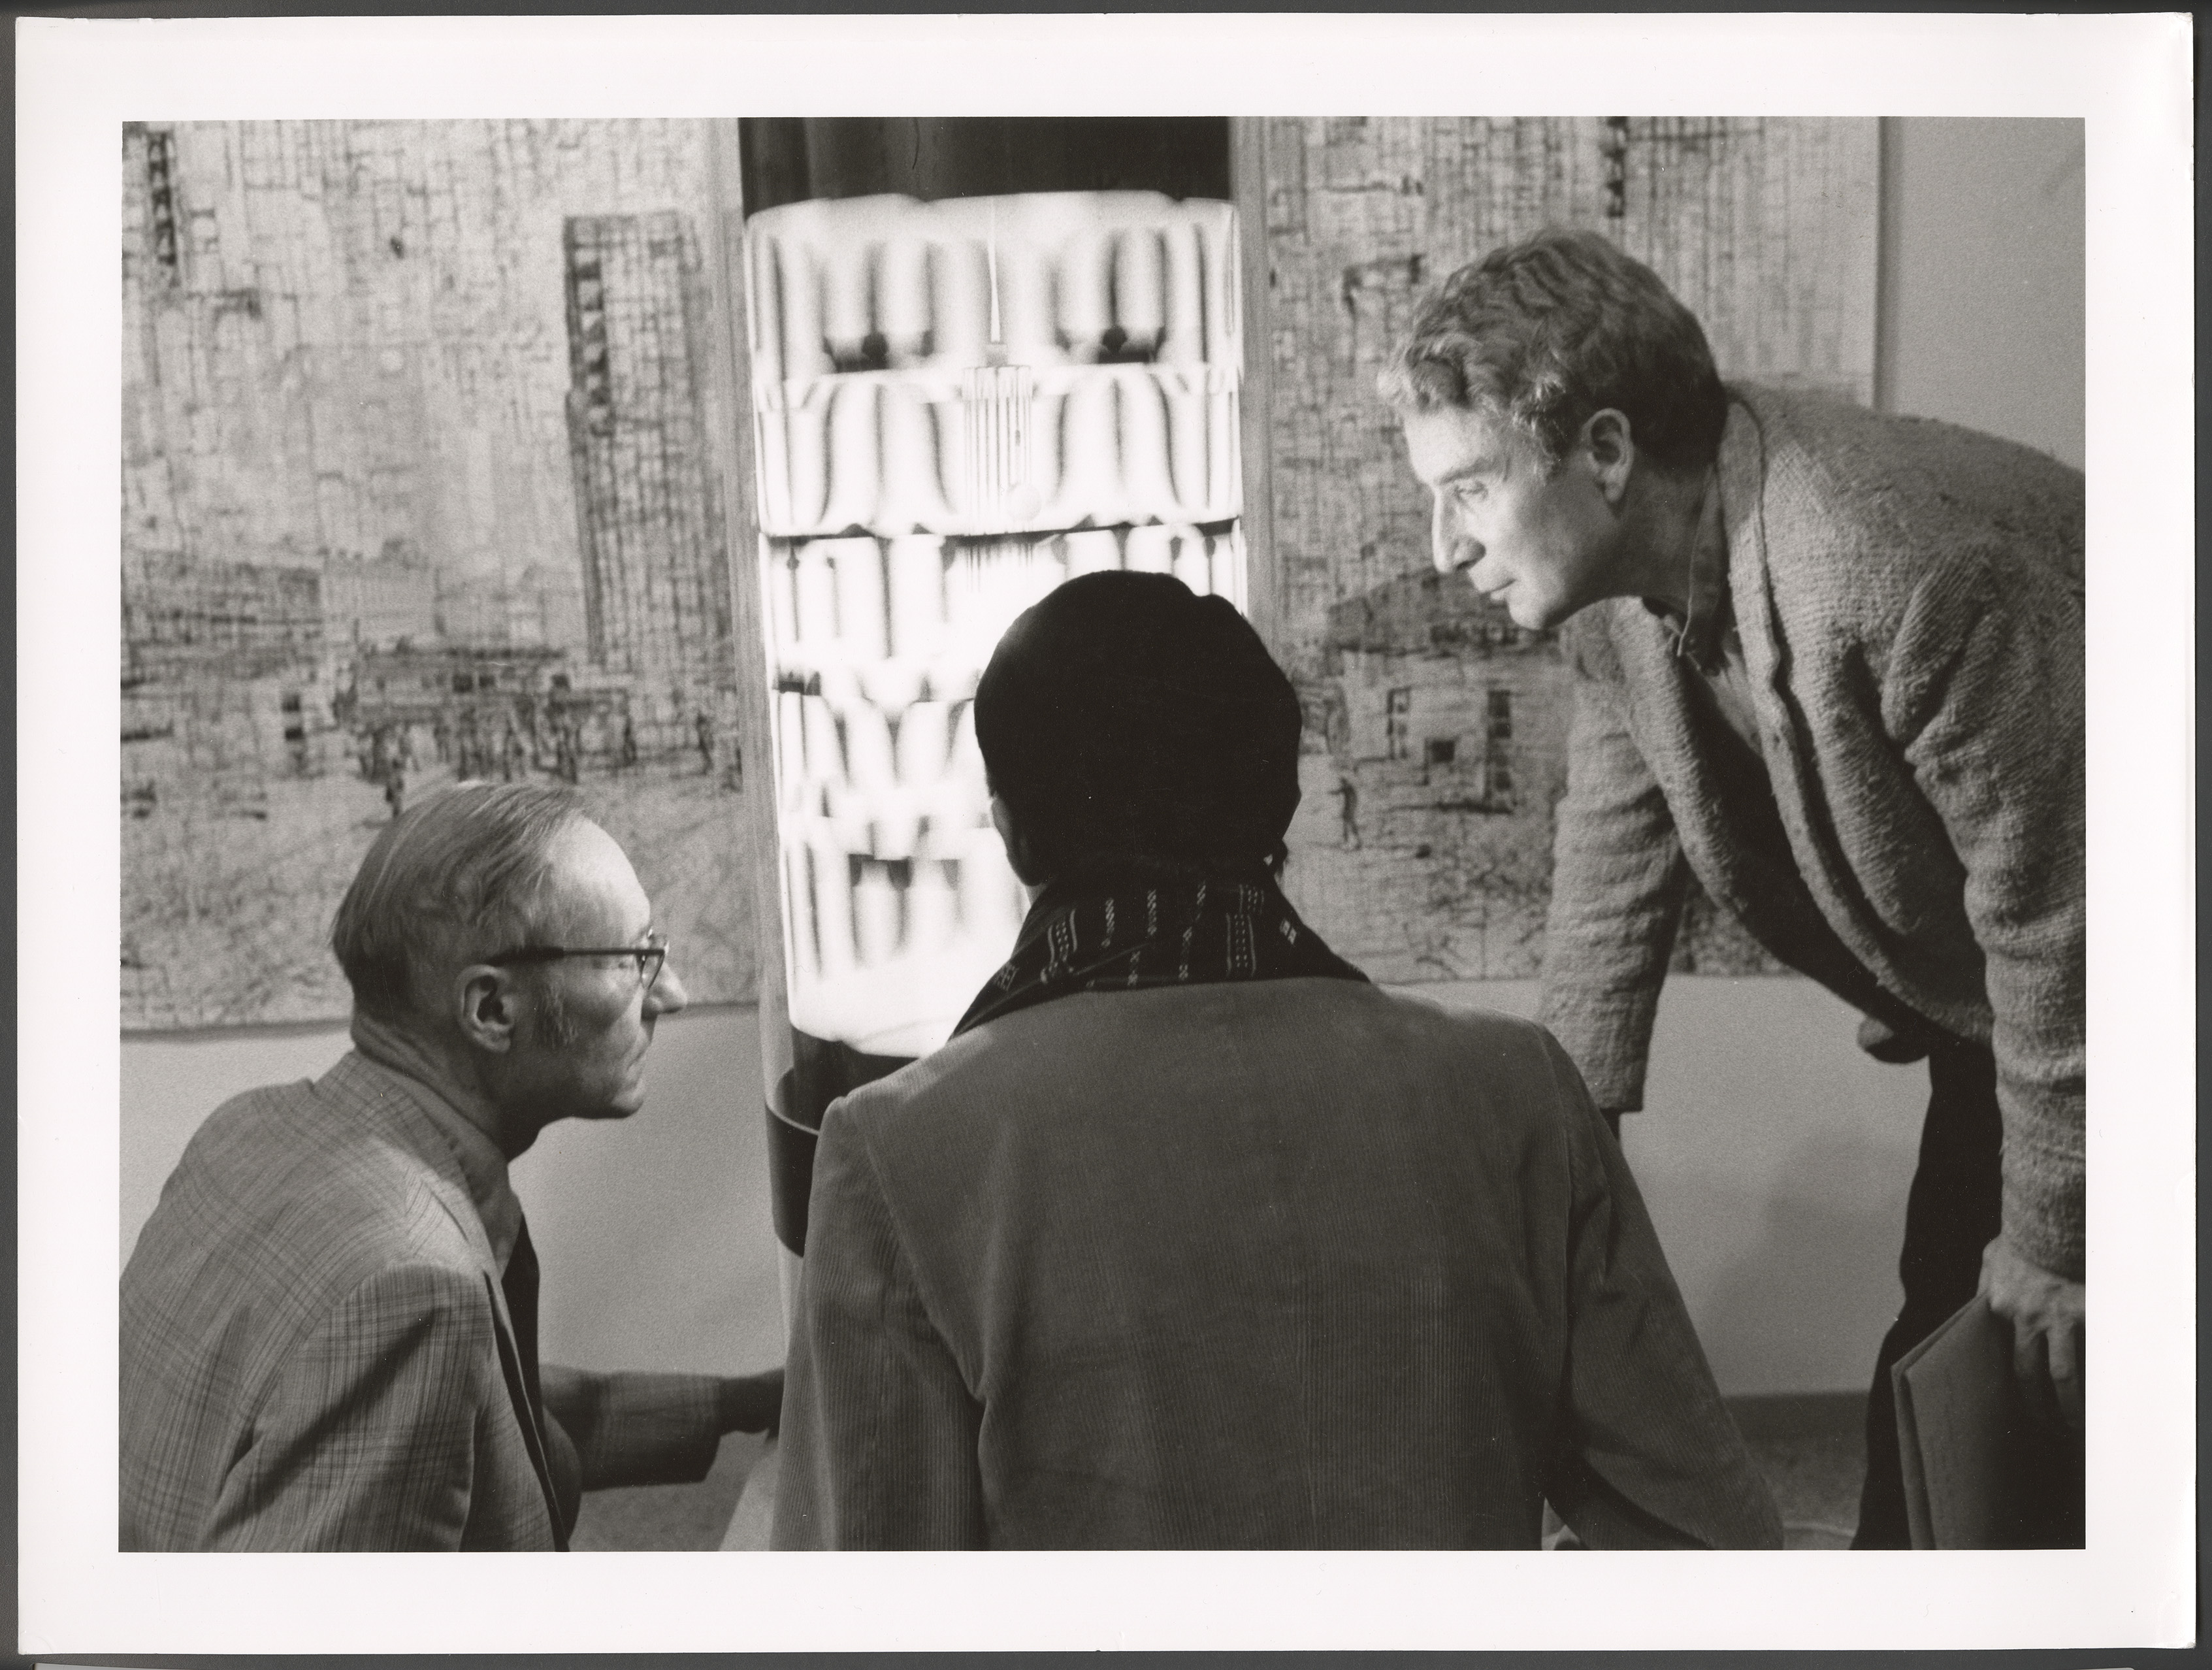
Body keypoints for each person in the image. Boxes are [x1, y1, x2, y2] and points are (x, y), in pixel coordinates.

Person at [772, 571, 1780, 1550]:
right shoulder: (1517, 1088)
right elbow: (1706, 1537)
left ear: (1010, 830)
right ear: (1280, 799)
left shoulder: (896, 1151)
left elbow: (862, 1601)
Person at [1380, 227, 2084, 1547]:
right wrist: (1565, 1174)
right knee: (1947, 1408)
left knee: (2042, 1408)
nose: (1443, 547)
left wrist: (2057, 1236)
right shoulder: (1618, 592)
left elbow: (2067, 918)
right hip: (2010, 1019)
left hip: (2129, 999)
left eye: (1468, 489)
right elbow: (1612, 865)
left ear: (1603, 451)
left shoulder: (1886, 562)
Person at [121, 781, 783, 1550]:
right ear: (492, 1011)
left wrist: (745, 1403)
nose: (670, 991)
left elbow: (493, 1415)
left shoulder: (249, 1129)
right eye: (634, 959)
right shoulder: (413, 1288)